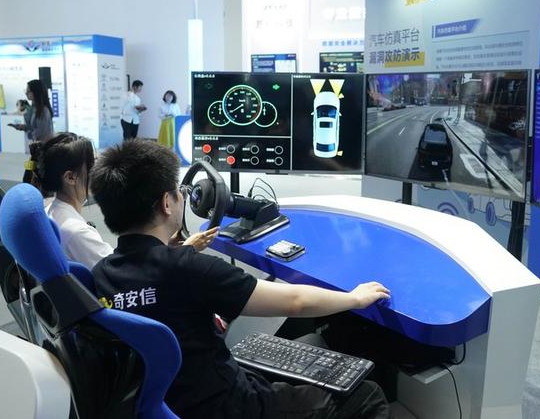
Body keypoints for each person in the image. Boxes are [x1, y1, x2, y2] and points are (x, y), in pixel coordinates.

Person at [90, 140, 391, 419]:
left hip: (166, 401)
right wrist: (355, 298)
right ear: (167, 204)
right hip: (227, 405)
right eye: (178, 191)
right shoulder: (188, 269)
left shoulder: (101, 274)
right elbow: (295, 302)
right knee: (367, 395)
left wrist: (177, 251)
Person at [28, 132, 112, 268]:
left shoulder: (49, 209)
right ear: (70, 177)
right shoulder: (77, 232)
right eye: (92, 163)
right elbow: (120, 271)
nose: (98, 169)